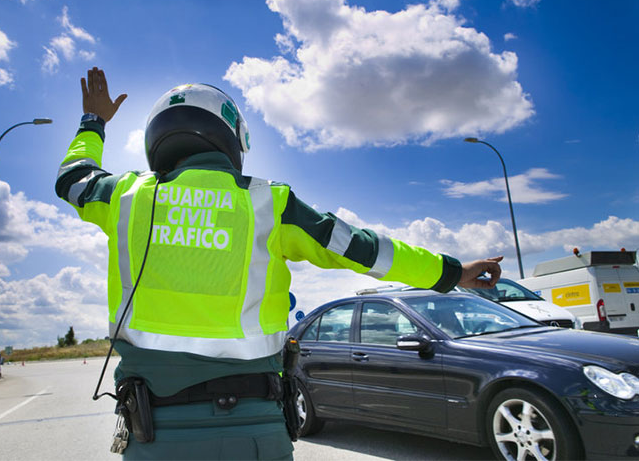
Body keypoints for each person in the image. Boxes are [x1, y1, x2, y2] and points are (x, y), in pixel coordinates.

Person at [56, 67, 502, 460]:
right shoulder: (271, 203)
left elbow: (73, 178)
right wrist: (452, 271)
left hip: (156, 433)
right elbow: (366, 250)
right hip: (255, 429)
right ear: (232, 138)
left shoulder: (125, 197)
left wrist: (93, 122)